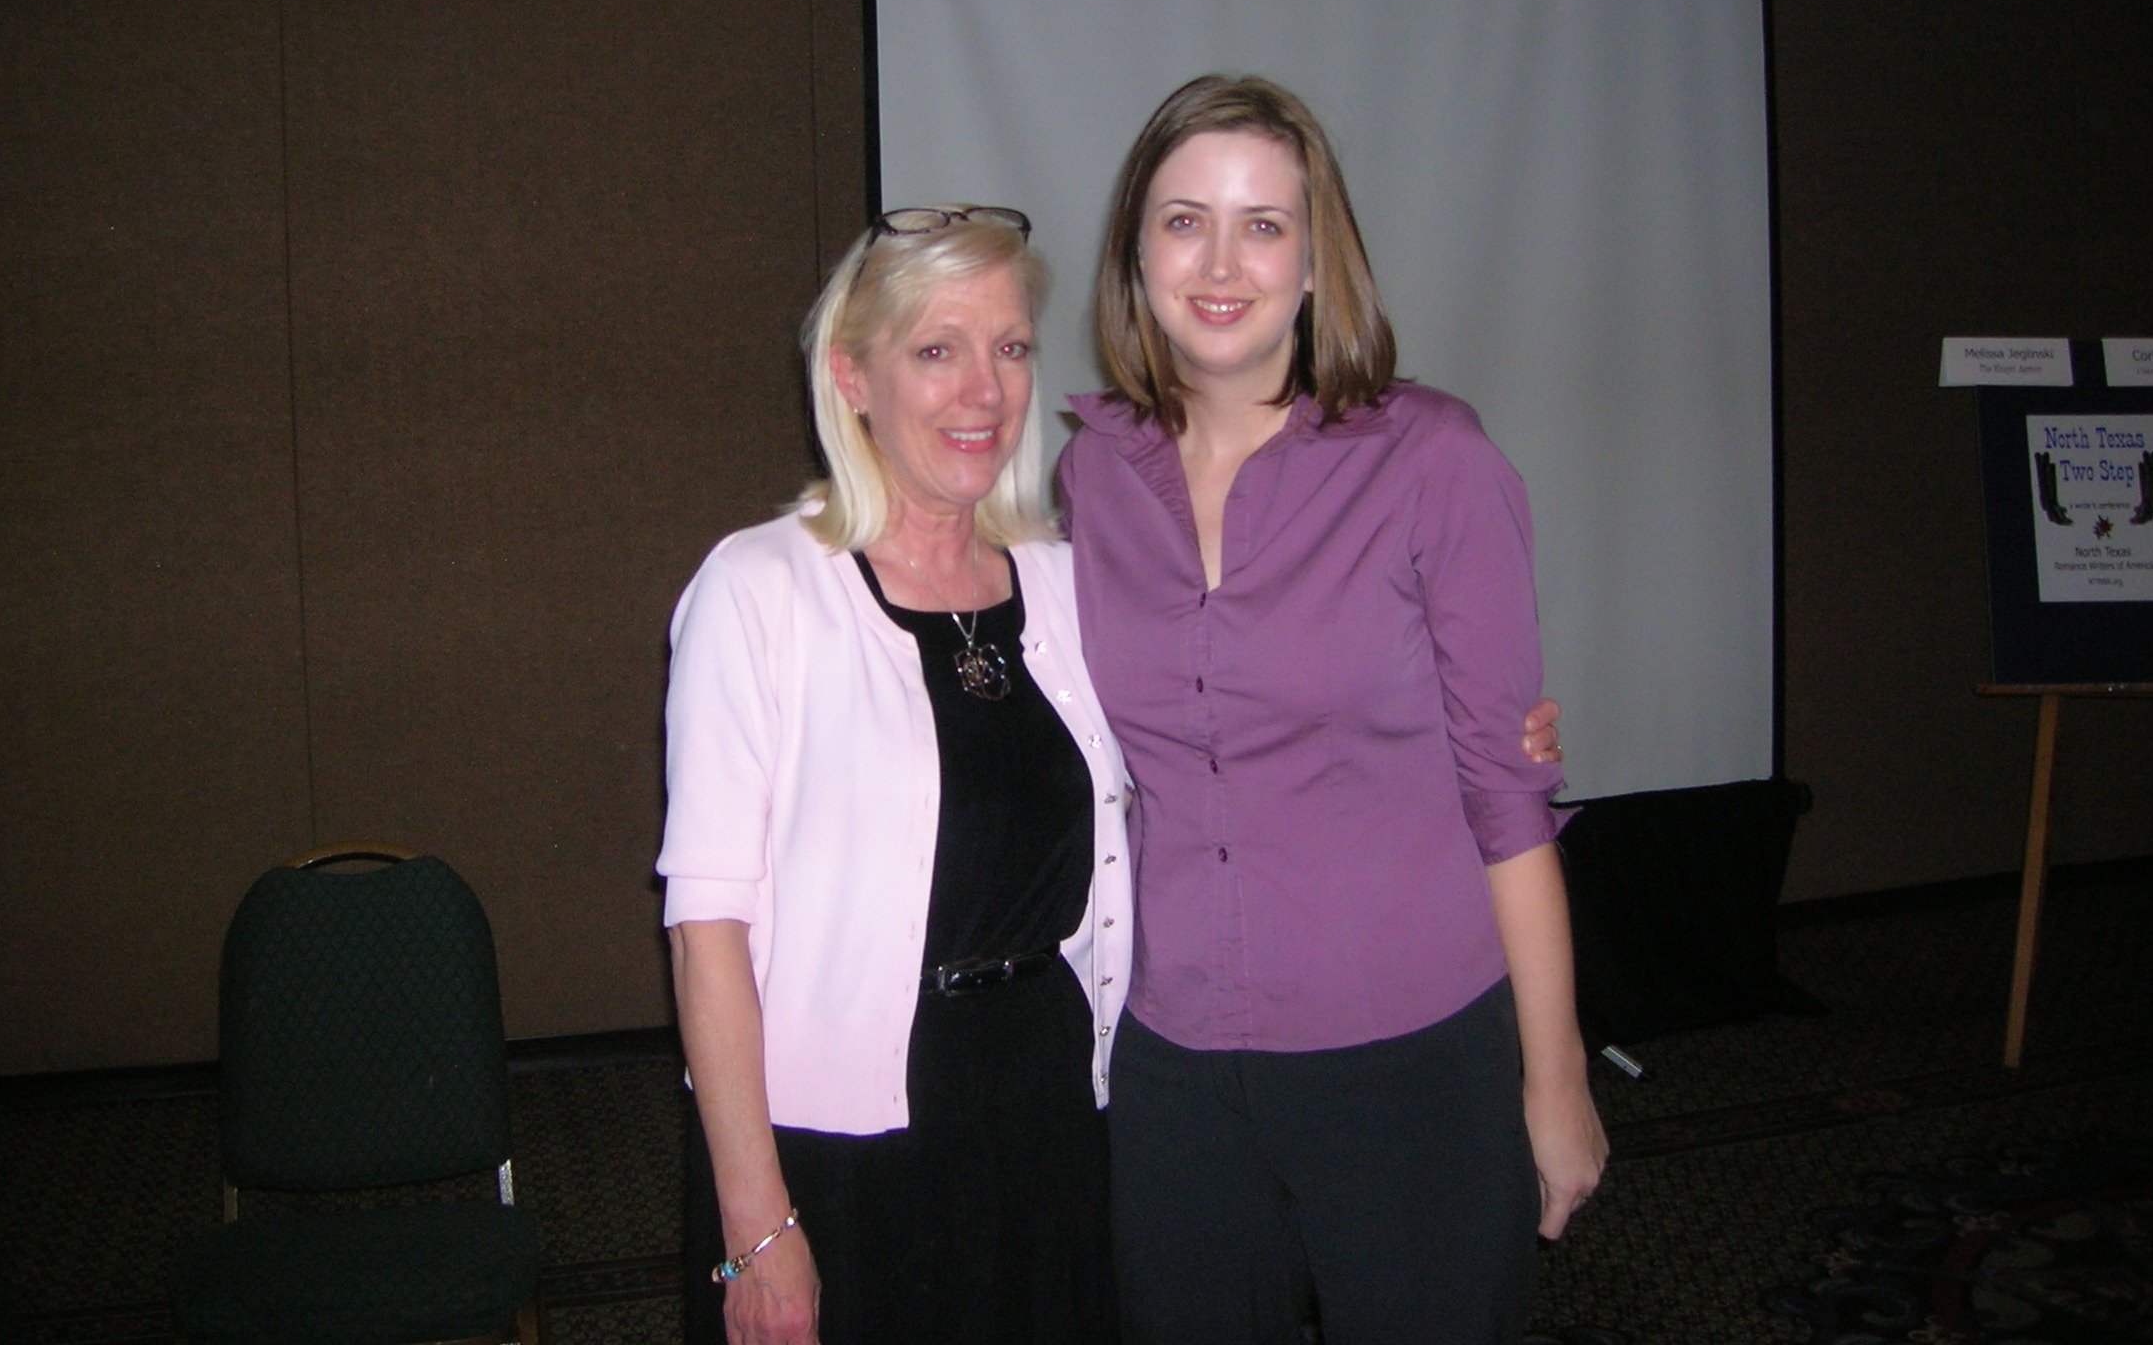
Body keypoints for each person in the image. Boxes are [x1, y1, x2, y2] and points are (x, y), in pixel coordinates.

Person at [1055, 76, 1607, 1345]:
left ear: (1315, 261)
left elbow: (1508, 796)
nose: (1221, 260)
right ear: (1135, 254)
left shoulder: (1432, 461)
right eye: (1183, 218)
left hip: (1406, 1054)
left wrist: (1554, 1074)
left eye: (1263, 224)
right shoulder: (1093, 474)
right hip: (1173, 1061)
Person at [658, 208, 1129, 1345]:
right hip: (842, 1143)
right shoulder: (758, 589)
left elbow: (1243, 720)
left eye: (1009, 346)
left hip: (1055, 1108)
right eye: (936, 349)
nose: (983, 389)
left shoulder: (1066, 586)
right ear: (850, 376)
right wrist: (758, 1222)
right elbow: (704, 922)